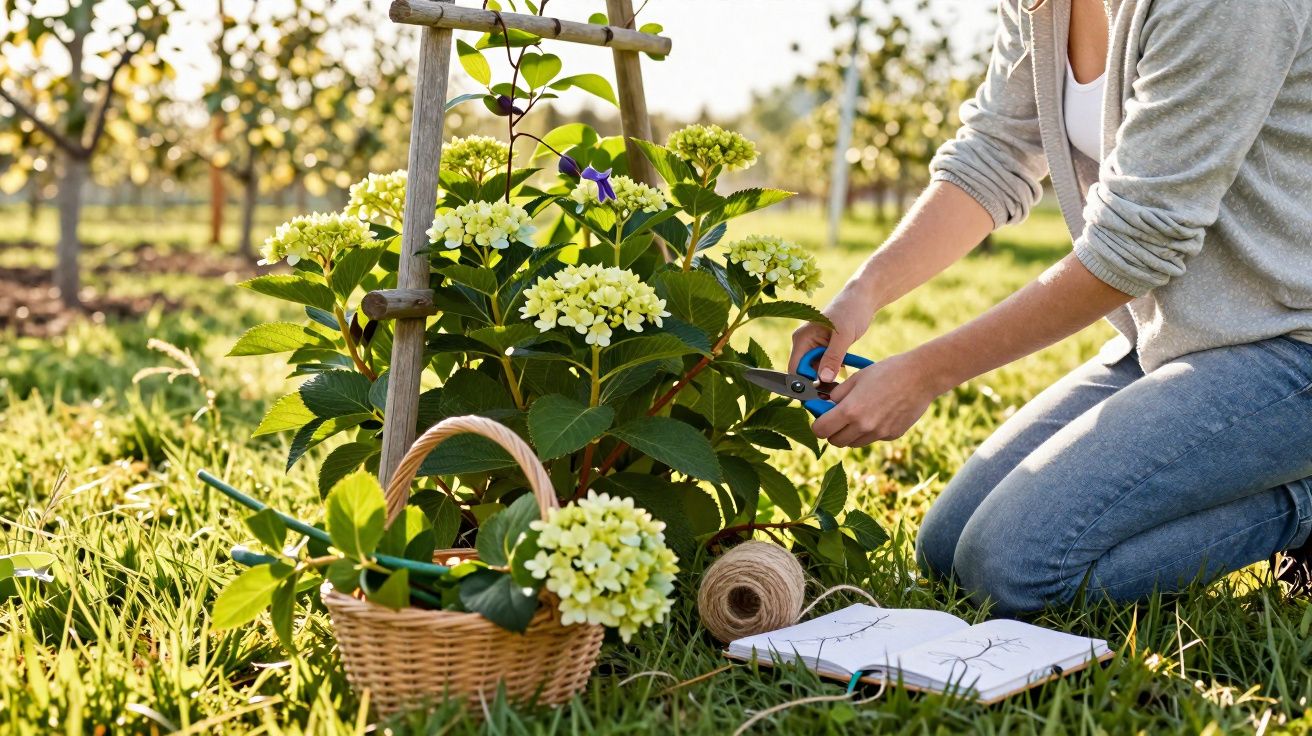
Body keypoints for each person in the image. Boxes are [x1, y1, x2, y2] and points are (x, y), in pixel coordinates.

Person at [789, 0, 1312, 614]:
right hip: (1172, 341)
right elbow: (996, 152)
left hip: (1291, 342)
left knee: (1012, 572)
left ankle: (1301, 505)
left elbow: (1137, 243)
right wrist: (862, 293)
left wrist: (925, 373)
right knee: (945, 552)